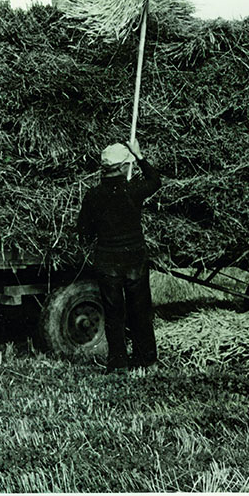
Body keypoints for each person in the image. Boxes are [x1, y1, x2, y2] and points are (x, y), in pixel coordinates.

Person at [76, 138, 161, 373]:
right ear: (124, 166)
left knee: (114, 315)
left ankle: (118, 364)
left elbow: (83, 231)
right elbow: (155, 181)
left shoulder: (93, 195)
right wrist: (140, 156)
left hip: (107, 260)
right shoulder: (132, 191)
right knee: (140, 311)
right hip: (133, 257)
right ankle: (147, 361)